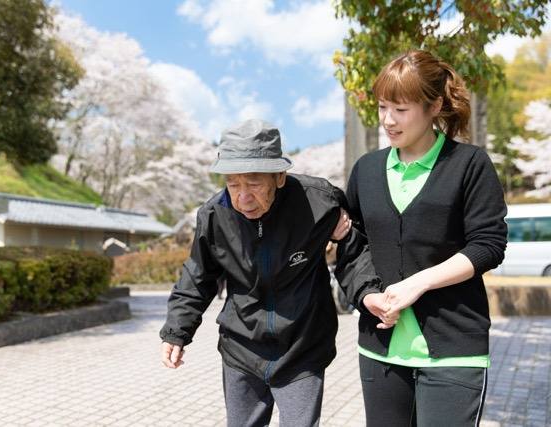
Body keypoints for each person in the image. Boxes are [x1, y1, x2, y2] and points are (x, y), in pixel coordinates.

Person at [339, 50, 508, 426]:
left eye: (401, 109)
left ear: (434, 106)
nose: (388, 120)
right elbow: (352, 246)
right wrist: (366, 294)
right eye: (383, 107)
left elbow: (488, 244)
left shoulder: (469, 164)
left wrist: (417, 284)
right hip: (380, 351)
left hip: (454, 349)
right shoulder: (366, 170)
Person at [159, 118, 364, 427]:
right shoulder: (214, 216)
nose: (242, 197)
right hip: (241, 347)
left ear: (279, 176)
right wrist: (177, 331)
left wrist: (367, 290)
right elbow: (197, 277)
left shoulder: (319, 202)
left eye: (254, 183)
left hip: (302, 348)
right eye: (233, 183)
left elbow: (356, 251)